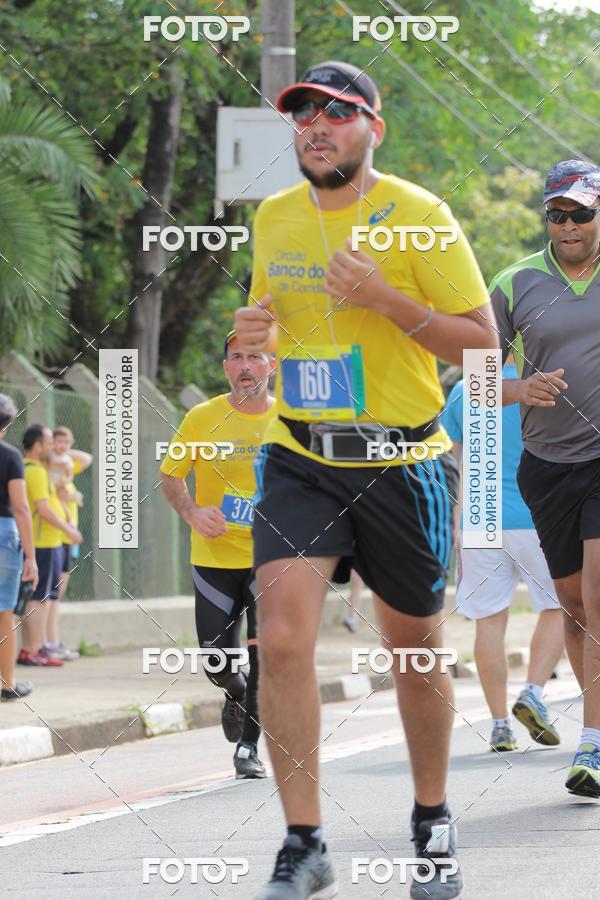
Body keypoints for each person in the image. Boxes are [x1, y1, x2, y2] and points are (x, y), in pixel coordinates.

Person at [234, 60, 498, 900]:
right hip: (302, 456)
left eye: (337, 112)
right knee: (279, 637)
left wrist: (387, 299)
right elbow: (269, 334)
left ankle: (431, 818)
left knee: (415, 654)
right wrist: (252, 342)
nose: (317, 124)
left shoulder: (421, 217)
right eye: (303, 112)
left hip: (403, 459)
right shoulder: (274, 218)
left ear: (372, 128)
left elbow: (483, 348)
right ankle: (303, 841)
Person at [492, 158, 600, 797]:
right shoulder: (514, 284)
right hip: (548, 467)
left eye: (580, 213)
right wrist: (518, 387)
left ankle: (592, 744)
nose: (567, 225)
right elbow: (475, 384)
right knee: (576, 607)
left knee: (599, 593)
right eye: (556, 214)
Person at [161, 330, 276, 779]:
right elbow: (171, 475)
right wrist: (191, 512)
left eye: (255, 356)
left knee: (264, 652)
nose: (245, 365)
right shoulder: (200, 417)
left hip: (269, 558)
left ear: (272, 366)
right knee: (216, 661)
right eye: (236, 358)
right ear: (226, 367)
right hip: (213, 557)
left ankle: (248, 748)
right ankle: (237, 692)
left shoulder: (288, 421)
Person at [441, 360, 564, 752]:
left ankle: (499, 726)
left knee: (489, 621)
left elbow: (451, 462)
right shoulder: (543, 385)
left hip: (480, 519)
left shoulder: (464, 389)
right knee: (560, 606)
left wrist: (455, 518)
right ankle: (532, 692)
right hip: (538, 514)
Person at [17, 425, 82, 668]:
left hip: (46, 541)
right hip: (42, 542)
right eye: (48, 442)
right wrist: (69, 530)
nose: (53, 447)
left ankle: (34, 648)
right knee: (38, 597)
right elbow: (43, 508)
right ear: (37, 446)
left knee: (39, 597)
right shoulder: (35, 471)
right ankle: (33, 649)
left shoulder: (37, 469)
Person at [42, 426, 92, 661]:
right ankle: (48, 642)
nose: (61, 447)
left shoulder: (66, 470)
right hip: (58, 537)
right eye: (56, 442)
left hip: (68, 537)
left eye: (65, 442)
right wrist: (56, 454)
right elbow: (56, 499)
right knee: (51, 595)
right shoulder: (50, 472)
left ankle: (53, 640)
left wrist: (64, 453)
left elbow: (87, 458)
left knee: (57, 595)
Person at [0, 395, 38, 700]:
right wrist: (31, 556)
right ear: (6, 426)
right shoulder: (10, 456)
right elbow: (21, 508)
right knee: (4, 613)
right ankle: (7, 684)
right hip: (4, 534)